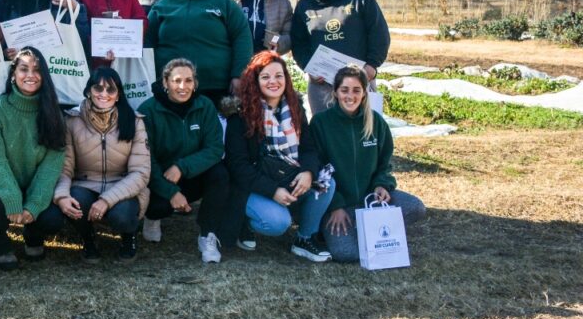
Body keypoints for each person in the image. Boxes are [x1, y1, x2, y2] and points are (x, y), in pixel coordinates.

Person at [224, 52, 333, 262]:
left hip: (287, 175)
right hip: (254, 184)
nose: (273, 82)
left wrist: (308, 172)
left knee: (328, 184)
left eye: (278, 76)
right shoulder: (240, 116)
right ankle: (244, 222)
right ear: (255, 81)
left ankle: (304, 238)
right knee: (277, 223)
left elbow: (309, 148)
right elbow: (238, 167)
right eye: (265, 77)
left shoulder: (295, 108)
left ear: (286, 78)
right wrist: (273, 191)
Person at [311, 66, 426, 262]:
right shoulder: (321, 123)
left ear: (364, 93)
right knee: (347, 254)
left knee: (416, 207)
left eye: (356, 90)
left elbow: (385, 163)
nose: (350, 96)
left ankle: (367, 226)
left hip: (370, 201)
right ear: (336, 92)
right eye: (345, 90)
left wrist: (382, 184)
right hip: (339, 206)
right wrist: (335, 205)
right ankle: (337, 227)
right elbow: (317, 169)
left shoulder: (376, 122)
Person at [0, 47, 67, 271]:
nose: (30, 75)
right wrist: (13, 199)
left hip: (34, 186)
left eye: (37, 70)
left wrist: (33, 205)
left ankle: (33, 234)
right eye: (24, 69)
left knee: (53, 217)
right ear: (13, 74)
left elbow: (52, 165)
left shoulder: (55, 113)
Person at [43, 67, 150, 262]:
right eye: (98, 88)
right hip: (85, 183)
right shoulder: (72, 121)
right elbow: (65, 168)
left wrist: (106, 200)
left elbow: (140, 173)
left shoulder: (134, 122)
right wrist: (61, 196)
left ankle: (129, 236)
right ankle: (88, 239)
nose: (104, 94)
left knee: (122, 216)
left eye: (111, 90)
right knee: (75, 201)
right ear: (88, 91)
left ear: (118, 96)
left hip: (122, 184)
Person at [136, 59, 229, 263]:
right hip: (160, 179)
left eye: (188, 81)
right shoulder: (148, 110)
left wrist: (182, 166)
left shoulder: (204, 106)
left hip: (192, 174)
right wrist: (171, 193)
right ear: (165, 82)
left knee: (220, 175)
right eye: (176, 80)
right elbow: (144, 160)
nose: (182, 87)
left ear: (195, 83)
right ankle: (152, 219)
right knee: (157, 207)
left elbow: (215, 148)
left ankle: (207, 235)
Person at [146, 0, 251, 106]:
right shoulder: (162, 6)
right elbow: (147, 44)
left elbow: (242, 39)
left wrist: (238, 75)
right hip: (172, 87)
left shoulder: (224, 3)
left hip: (215, 87)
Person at [292, 0, 391, 113]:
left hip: (359, 82)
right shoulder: (305, 5)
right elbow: (299, 43)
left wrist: (372, 66)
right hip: (322, 85)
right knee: (326, 135)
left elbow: (379, 34)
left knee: (363, 133)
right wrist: (308, 66)